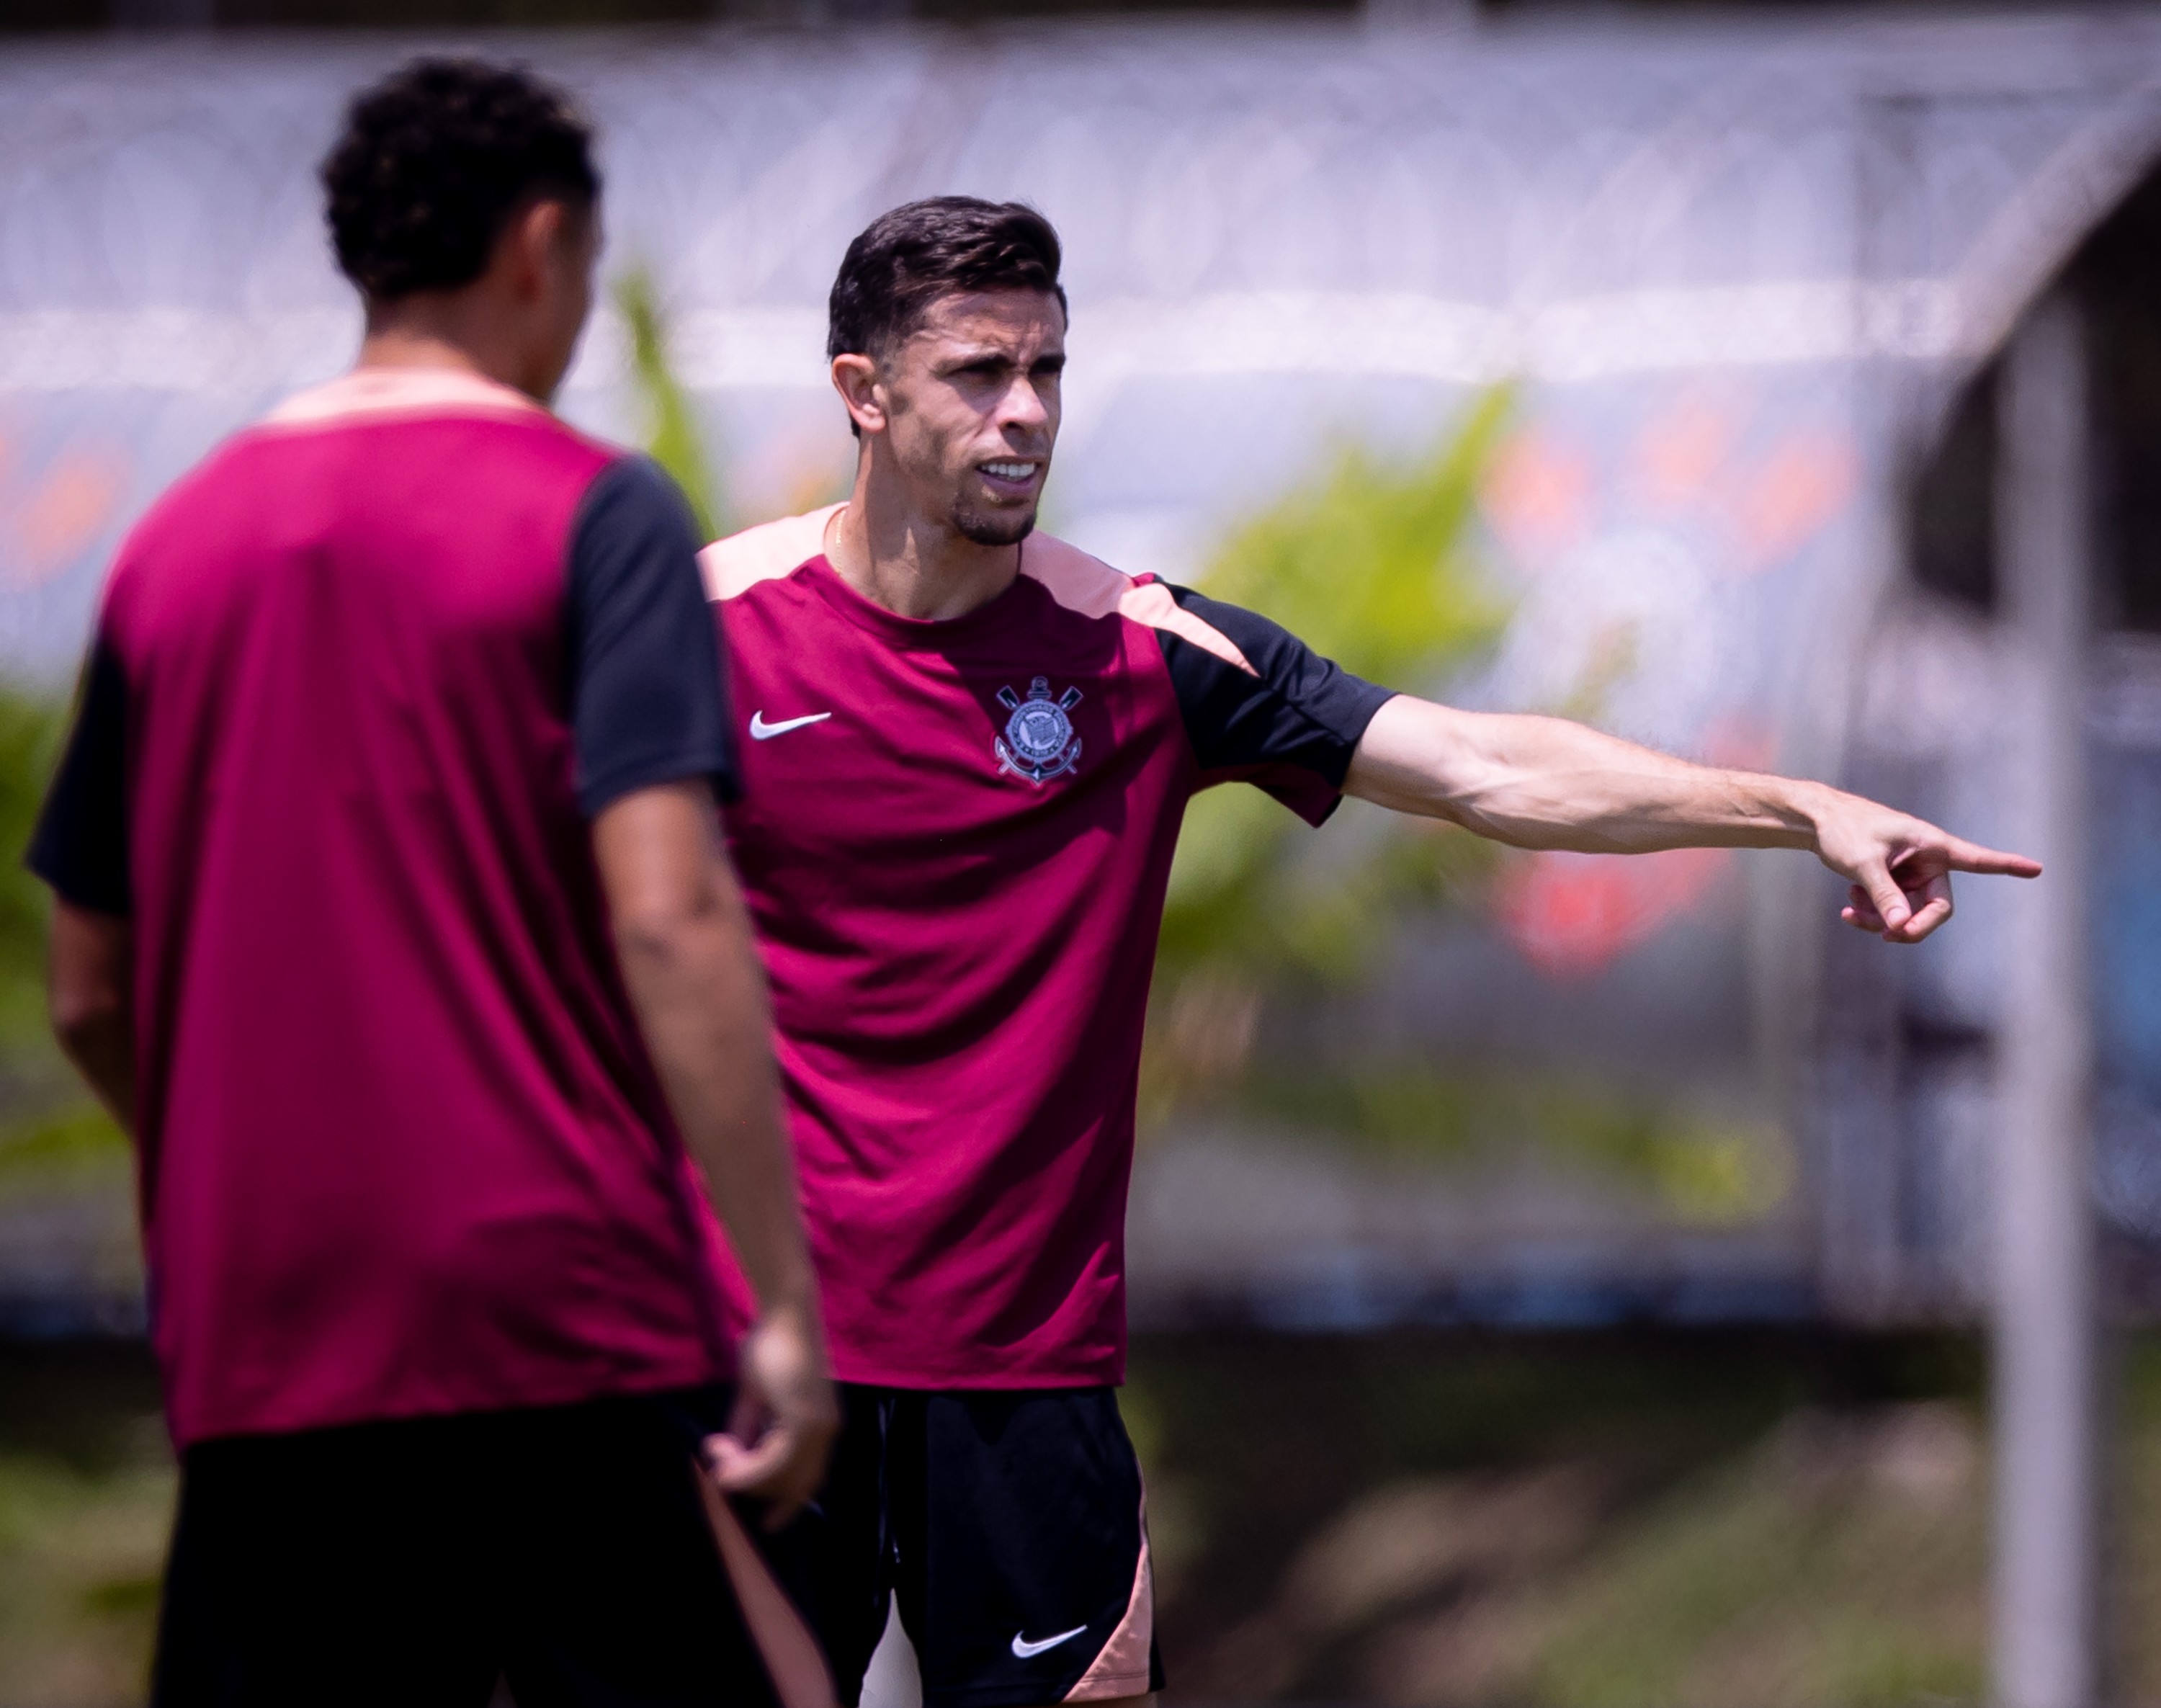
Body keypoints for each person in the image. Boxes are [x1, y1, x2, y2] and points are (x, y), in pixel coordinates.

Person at [699, 195, 2042, 1708]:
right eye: (974, 374)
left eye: (1048, 371)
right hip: (748, 1362)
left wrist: (1799, 805)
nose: (1024, 415)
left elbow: (1487, 767)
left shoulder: (1144, 650)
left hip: (1024, 1389)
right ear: (862, 393)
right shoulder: (695, 633)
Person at [29, 59, 836, 1708]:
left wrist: (246, 1188)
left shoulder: (172, 544)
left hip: (267, 1332)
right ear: (542, 244)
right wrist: (780, 1298)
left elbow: (87, 987)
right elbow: (669, 912)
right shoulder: (594, 516)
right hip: (554, 1306)